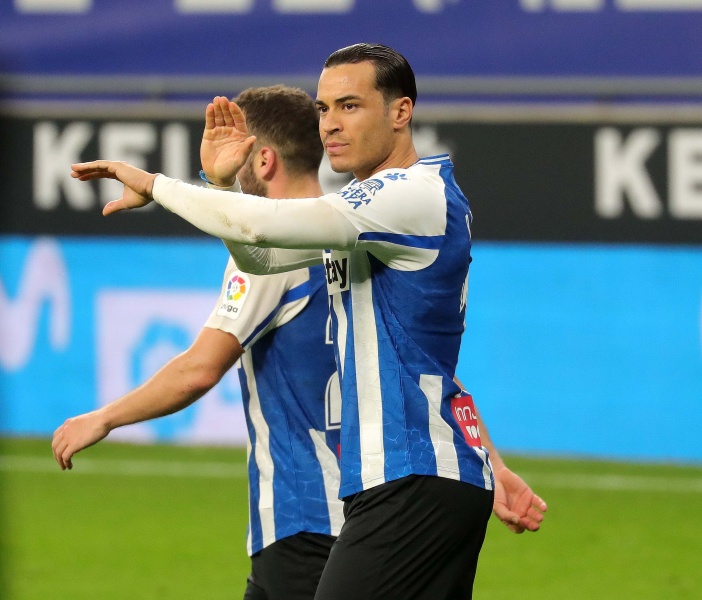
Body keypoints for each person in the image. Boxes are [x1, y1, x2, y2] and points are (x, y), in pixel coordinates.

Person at [68, 43, 547, 599]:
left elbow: (257, 230)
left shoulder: (409, 194)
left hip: (411, 474)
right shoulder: (370, 210)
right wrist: (222, 188)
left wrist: (156, 185)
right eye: (323, 109)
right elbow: (261, 260)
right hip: (406, 477)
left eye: (350, 106)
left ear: (401, 111)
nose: (330, 124)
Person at [53, 85, 345, 600]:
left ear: (263, 159)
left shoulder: (270, 258)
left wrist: (103, 418)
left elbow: (199, 370)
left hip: (304, 515)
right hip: (372, 511)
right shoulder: (356, 234)